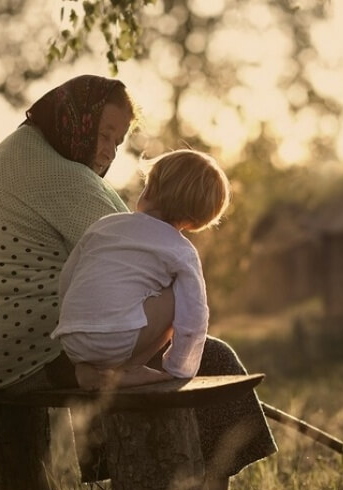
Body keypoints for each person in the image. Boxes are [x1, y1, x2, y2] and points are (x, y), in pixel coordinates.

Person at [0, 75, 276, 490]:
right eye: (103, 134)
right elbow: (145, 267)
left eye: (117, 142)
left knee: (125, 337)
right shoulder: (65, 180)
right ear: (75, 119)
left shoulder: (19, 152)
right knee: (211, 358)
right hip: (31, 356)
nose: (108, 151)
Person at [51, 149, 231, 390]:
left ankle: (88, 370)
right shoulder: (181, 250)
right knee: (179, 296)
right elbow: (194, 316)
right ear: (195, 220)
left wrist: (73, 321)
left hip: (72, 339)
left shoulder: (104, 226)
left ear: (150, 189)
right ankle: (129, 369)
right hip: (117, 340)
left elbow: (68, 279)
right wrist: (180, 368)